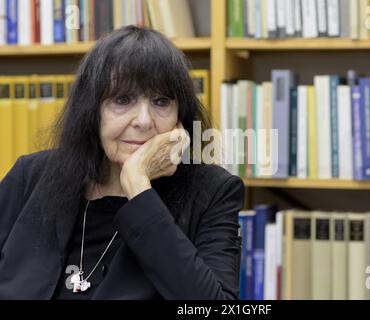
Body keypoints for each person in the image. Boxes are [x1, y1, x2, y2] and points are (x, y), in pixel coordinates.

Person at [0, 26, 244, 300]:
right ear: (91, 111)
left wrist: (138, 186)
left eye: (161, 101)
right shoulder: (30, 177)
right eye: (122, 99)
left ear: (180, 116)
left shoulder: (212, 192)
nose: (143, 120)